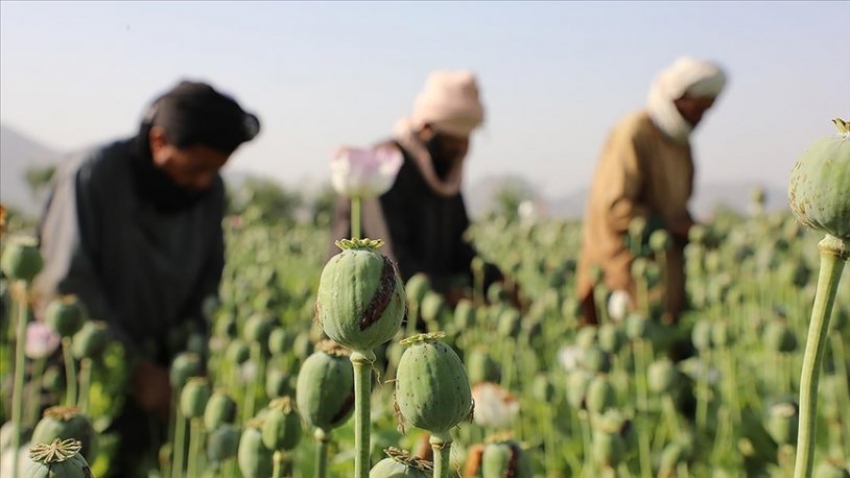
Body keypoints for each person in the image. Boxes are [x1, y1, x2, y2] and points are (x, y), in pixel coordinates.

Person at [31, 80, 260, 476]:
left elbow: (208, 278)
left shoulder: (208, 191)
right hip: (74, 375)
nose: (205, 181)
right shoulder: (93, 173)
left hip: (157, 377)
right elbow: (67, 284)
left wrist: (189, 363)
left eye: (216, 169)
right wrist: (135, 368)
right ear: (158, 141)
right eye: (197, 167)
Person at [328, 70, 512, 308]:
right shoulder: (383, 168)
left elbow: (460, 252)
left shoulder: (445, 176)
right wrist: (450, 295)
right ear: (426, 129)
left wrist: (498, 282)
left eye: (465, 139)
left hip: (425, 325)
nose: (461, 147)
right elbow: (390, 262)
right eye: (452, 139)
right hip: (366, 316)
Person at [576, 57, 728, 325]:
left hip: (665, 277)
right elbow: (614, 208)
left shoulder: (681, 143)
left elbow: (678, 205)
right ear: (678, 98)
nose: (700, 117)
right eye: (698, 107)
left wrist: (693, 228)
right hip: (624, 275)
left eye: (707, 109)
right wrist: (672, 227)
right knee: (629, 354)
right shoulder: (633, 132)